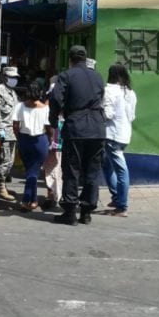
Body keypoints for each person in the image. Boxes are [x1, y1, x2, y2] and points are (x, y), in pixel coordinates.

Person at [48, 45, 106, 225]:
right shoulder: (97, 76)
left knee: (72, 169)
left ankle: (70, 212)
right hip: (98, 128)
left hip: (76, 127)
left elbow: (56, 98)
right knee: (92, 170)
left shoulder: (67, 75)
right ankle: (86, 212)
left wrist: (53, 120)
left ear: (70, 59)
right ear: (85, 58)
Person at [102, 62, 137, 217]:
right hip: (124, 134)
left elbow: (108, 114)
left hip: (111, 134)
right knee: (107, 165)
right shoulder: (130, 92)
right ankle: (117, 197)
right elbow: (132, 116)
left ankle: (122, 205)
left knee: (120, 170)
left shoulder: (108, 91)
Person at [13, 83, 51, 211]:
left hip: (24, 140)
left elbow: (15, 126)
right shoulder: (45, 108)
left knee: (30, 171)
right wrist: (50, 140)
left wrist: (19, 138)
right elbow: (49, 128)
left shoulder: (19, 106)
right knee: (33, 172)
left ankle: (26, 200)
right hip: (41, 141)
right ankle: (32, 200)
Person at [0, 66, 19, 202]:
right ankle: (0, 188)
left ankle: (3, 186)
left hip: (12, 132)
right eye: (11, 77)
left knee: (10, 161)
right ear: (4, 77)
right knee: (4, 160)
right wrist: (1, 131)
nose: (14, 80)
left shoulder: (12, 92)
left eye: (15, 78)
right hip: (4, 131)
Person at [41, 75, 63, 211]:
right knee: (59, 167)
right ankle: (56, 195)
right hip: (62, 137)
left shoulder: (49, 99)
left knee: (50, 166)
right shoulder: (68, 97)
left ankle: (53, 196)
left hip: (52, 137)